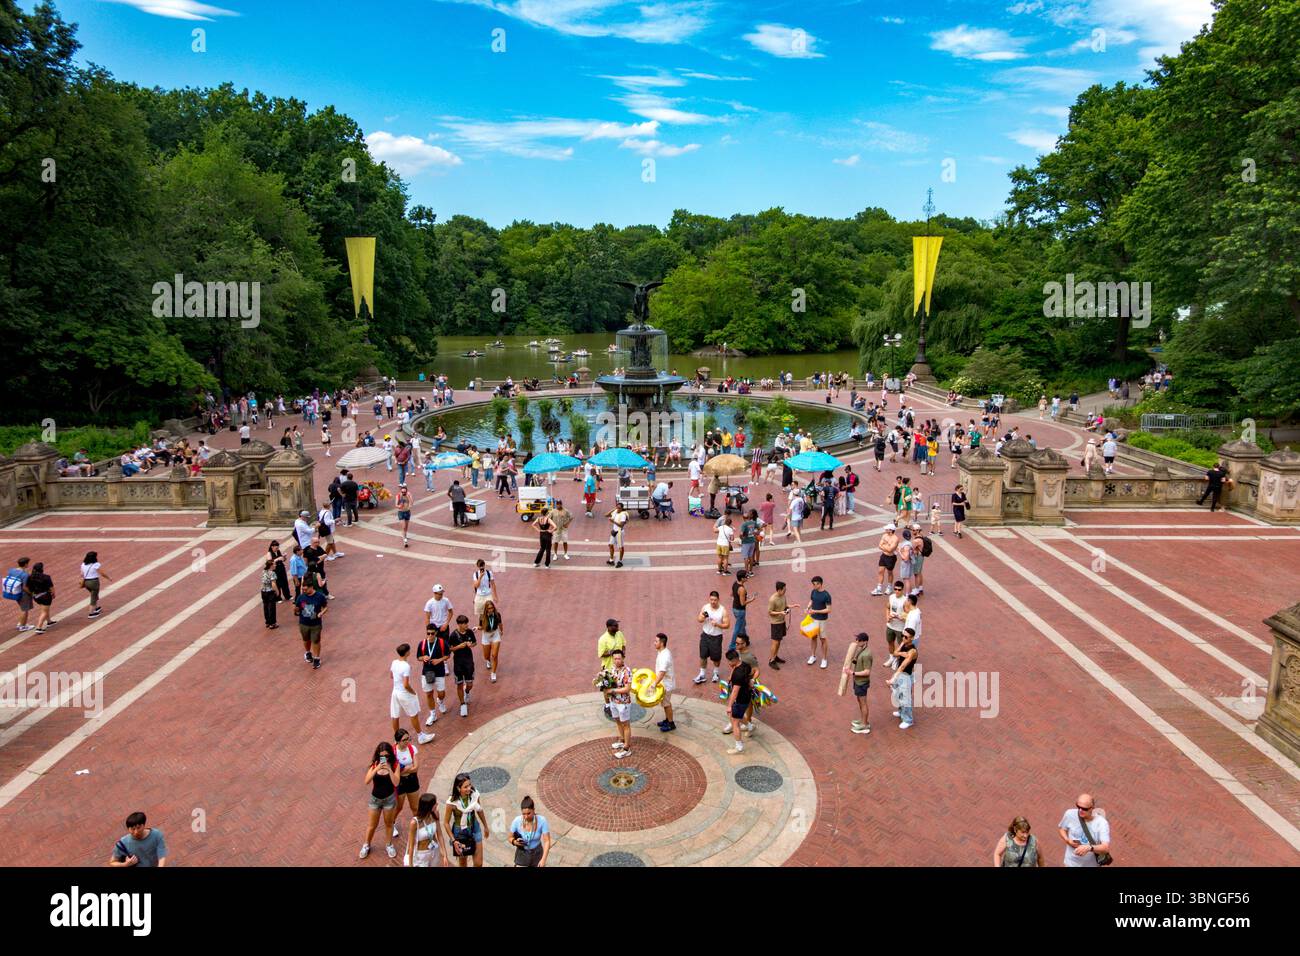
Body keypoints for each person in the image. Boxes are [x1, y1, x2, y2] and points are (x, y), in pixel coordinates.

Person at [360, 741, 401, 860]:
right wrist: (376, 768)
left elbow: (396, 782)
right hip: (375, 799)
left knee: (389, 824)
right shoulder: (375, 764)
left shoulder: (394, 765)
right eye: (382, 756)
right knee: (372, 825)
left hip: (389, 799)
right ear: (378, 755)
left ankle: (389, 844)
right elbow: (367, 781)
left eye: (387, 756)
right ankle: (366, 845)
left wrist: (389, 769)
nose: (385, 758)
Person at [391, 643, 435, 743]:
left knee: (395, 715)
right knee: (413, 714)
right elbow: (406, 685)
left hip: (395, 692)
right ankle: (421, 736)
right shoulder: (406, 666)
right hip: (404, 693)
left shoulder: (394, 662)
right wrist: (413, 692)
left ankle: (396, 739)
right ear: (407, 653)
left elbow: (391, 676)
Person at [446, 772, 490, 867]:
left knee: (478, 864)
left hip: (474, 827)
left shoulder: (474, 795)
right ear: (458, 788)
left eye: (469, 785)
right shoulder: (452, 802)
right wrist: (453, 840)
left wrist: (486, 826)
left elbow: (479, 810)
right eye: (465, 787)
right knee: (463, 863)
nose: (469, 788)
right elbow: (445, 823)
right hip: (460, 831)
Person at [1058, 794, 1111, 867]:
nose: (1080, 810)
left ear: (1092, 808)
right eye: (1078, 806)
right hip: (1070, 862)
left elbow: (1105, 848)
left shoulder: (1102, 823)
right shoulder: (1069, 814)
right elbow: (1062, 829)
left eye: (1084, 809)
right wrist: (1067, 840)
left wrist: (1089, 848)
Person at [694, 591, 730, 685]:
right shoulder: (705, 607)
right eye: (711, 599)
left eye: (715, 600)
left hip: (716, 637)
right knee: (703, 656)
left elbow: (727, 625)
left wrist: (717, 624)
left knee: (716, 658)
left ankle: (716, 673)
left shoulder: (723, 610)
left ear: (718, 600)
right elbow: (699, 619)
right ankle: (702, 675)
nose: (713, 602)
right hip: (705, 635)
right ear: (709, 599)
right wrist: (702, 618)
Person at [405, 793, 449, 868]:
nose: (437, 804)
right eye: (435, 803)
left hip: (434, 851)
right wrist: (410, 864)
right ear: (428, 806)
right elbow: (411, 846)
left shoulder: (435, 814)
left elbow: (440, 835)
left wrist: (445, 855)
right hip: (421, 855)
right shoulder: (415, 822)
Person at [723, 649, 753, 754]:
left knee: (735, 722)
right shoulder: (745, 665)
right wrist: (731, 676)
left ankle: (738, 746)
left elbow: (735, 691)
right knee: (738, 717)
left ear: (734, 660)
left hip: (740, 700)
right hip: (747, 697)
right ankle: (750, 726)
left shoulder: (737, 674)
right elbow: (749, 677)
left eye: (729, 661)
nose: (728, 663)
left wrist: (729, 706)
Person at [606, 648, 634, 759]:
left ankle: (627, 748)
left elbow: (627, 689)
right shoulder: (612, 669)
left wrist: (612, 691)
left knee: (625, 724)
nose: (617, 660)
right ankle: (622, 740)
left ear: (623, 658)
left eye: (619, 658)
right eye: (615, 658)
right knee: (618, 721)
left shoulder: (627, 671)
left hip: (623, 703)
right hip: (614, 701)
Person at [887, 628, 917, 730]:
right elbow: (895, 653)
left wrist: (893, 678)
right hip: (900, 674)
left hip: (906, 675)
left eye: (906, 637)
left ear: (912, 638)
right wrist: (900, 653)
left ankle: (908, 720)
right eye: (902, 636)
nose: (903, 638)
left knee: (906, 699)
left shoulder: (912, 651)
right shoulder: (903, 644)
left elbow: (903, 666)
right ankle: (901, 712)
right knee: (898, 693)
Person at [509, 795, 552, 867]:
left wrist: (543, 859)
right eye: (523, 814)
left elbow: (547, 841)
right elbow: (510, 837)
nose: (526, 817)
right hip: (522, 854)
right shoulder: (517, 821)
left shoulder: (542, 821)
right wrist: (515, 842)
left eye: (529, 813)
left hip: (537, 853)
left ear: (534, 810)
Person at [448, 615, 477, 717]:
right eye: (465, 624)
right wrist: (459, 647)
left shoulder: (469, 632)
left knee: (470, 684)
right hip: (458, 662)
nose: (467, 625)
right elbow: (450, 649)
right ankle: (462, 704)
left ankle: (467, 692)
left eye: (467, 623)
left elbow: (475, 643)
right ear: (459, 624)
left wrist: (471, 645)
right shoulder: (453, 635)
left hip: (469, 661)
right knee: (459, 684)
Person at [846, 631, 872, 735]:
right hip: (857, 681)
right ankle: (862, 720)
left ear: (864, 641)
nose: (857, 641)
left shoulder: (867, 654)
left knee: (863, 702)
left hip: (862, 682)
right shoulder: (861, 650)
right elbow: (856, 661)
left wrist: (852, 673)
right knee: (859, 701)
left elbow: (867, 671)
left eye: (859, 640)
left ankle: (865, 725)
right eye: (856, 639)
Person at [767, 581, 794, 670]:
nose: (785, 591)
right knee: (775, 642)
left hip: (782, 621)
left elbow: (785, 606)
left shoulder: (783, 596)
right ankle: (771, 660)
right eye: (784, 590)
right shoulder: (772, 599)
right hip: (775, 623)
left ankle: (775, 656)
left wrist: (791, 607)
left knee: (779, 641)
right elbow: (770, 612)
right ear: (779, 590)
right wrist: (780, 612)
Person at [653, 632, 676, 732]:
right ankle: (667, 720)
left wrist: (654, 684)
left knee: (666, 704)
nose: (654, 643)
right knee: (665, 703)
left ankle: (671, 723)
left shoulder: (664, 656)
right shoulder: (663, 652)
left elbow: (662, 673)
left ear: (661, 643)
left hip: (666, 685)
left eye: (656, 641)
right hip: (665, 683)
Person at [3, 556, 34, 632]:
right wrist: (31, 593)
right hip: (23, 595)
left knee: (22, 609)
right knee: (24, 610)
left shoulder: (11, 570)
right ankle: (22, 626)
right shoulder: (25, 575)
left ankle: (21, 623)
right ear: (26, 564)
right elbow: (24, 587)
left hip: (14, 592)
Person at [807, 575, 831, 668]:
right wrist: (808, 607)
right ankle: (813, 656)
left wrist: (815, 611)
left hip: (822, 620)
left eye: (815, 584)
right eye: (813, 584)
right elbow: (811, 601)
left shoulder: (826, 595)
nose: (813, 586)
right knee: (813, 637)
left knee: (823, 639)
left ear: (820, 584)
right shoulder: (813, 592)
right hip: (813, 618)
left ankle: (824, 659)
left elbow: (829, 610)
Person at [79, 551, 111, 618]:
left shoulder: (83, 564)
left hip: (86, 582)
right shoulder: (96, 564)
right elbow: (102, 573)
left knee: (93, 594)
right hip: (94, 582)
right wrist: (109, 578)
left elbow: (82, 574)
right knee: (93, 597)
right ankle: (91, 613)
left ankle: (96, 608)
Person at [479, 599, 504, 683]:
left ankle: (493, 673)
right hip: (486, 636)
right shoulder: (482, 617)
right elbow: (481, 627)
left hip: (495, 635)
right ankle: (488, 661)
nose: (491, 610)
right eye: (489, 608)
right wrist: (477, 628)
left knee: (494, 655)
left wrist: (501, 630)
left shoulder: (497, 614)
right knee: (486, 656)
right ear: (486, 609)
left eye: (492, 608)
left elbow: (500, 624)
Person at [27, 561, 55, 634]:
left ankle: (49, 621)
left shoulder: (30, 577)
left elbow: (28, 587)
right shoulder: (46, 577)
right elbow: (51, 587)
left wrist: (31, 593)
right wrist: (53, 594)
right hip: (45, 596)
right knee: (44, 611)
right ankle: (39, 627)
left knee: (45, 609)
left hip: (36, 596)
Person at [729, 570, 751, 652]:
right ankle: (732, 646)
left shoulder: (735, 583)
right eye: (746, 576)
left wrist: (742, 597)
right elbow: (742, 603)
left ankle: (745, 639)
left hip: (734, 608)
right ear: (742, 578)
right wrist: (751, 599)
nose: (747, 577)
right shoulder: (742, 589)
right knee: (737, 628)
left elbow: (732, 594)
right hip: (740, 611)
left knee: (743, 624)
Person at [259, 559, 280, 629]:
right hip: (270, 592)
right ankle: (272, 623)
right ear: (271, 565)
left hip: (263, 591)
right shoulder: (272, 573)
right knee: (271, 607)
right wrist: (277, 591)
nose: (275, 565)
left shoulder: (264, 571)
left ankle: (267, 622)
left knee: (265, 606)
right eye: (274, 564)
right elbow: (273, 584)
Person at [607, 501, 628, 567]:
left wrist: (613, 521)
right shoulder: (615, 512)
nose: (618, 509)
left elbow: (621, 525)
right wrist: (613, 509)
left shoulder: (623, 515)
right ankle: (611, 560)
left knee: (620, 547)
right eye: (617, 507)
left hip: (619, 532)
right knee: (610, 545)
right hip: (614, 531)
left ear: (622, 508)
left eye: (619, 508)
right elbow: (606, 515)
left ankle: (620, 561)